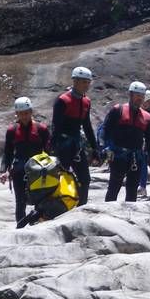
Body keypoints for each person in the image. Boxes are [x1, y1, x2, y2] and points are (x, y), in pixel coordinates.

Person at [99, 81, 150, 202]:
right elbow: (105, 130)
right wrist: (104, 148)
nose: (139, 98)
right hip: (118, 156)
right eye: (137, 95)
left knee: (132, 190)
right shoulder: (118, 110)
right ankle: (107, 216)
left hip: (136, 157)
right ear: (130, 95)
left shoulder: (146, 117)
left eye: (142, 96)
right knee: (114, 187)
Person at [0, 97, 52, 224]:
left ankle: (37, 225)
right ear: (16, 114)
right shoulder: (12, 130)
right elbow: (8, 153)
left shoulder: (41, 129)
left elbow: (50, 150)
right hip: (19, 170)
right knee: (20, 202)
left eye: (27, 113)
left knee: (40, 201)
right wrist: (3, 171)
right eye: (21, 113)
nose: (24, 116)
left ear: (31, 111)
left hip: (39, 170)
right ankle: (20, 228)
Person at [51, 66, 99, 205]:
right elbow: (56, 126)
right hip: (63, 145)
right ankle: (57, 207)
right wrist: (53, 149)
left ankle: (81, 207)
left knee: (85, 179)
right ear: (75, 81)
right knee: (62, 178)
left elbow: (87, 126)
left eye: (88, 82)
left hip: (77, 146)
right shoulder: (62, 100)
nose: (86, 85)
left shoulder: (86, 101)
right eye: (84, 82)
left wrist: (95, 149)